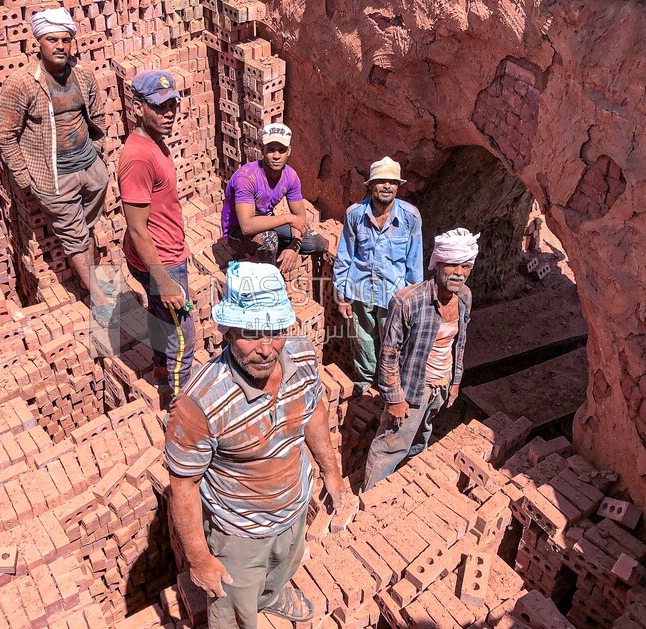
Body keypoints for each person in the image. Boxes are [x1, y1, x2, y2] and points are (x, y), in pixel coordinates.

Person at [166, 261, 347, 629]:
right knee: (232, 605)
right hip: (240, 531)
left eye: (275, 331)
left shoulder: (302, 356)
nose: (266, 349)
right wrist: (199, 558)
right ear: (227, 331)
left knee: (283, 565)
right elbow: (183, 485)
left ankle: (273, 595)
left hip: (294, 506)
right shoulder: (198, 403)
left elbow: (312, 412)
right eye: (251, 333)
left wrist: (331, 471)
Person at [0, 8, 110, 322]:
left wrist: (98, 150)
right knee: (74, 235)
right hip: (55, 177)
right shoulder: (22, 84)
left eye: (65, 39)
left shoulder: (83, 74)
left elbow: (97, 114)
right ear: (39, 43)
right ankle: (97, 296)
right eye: (52, 40)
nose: (60, 46)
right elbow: (5, 133)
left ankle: (85, 268)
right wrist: (23, 176)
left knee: (85, 228)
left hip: (90, 168)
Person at [362, 228, 479, 491]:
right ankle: (369, 503)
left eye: (466, 266)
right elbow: (389, 354)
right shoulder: (408, 301)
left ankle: (405, 489)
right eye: (452, 264)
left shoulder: (465, 297)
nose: (459, 272)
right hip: (414, 386)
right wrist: (395, 398)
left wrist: (455, 382)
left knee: (422, 437)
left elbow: (459, 344)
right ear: (437, 264)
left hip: (441, 383)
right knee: (391, 445)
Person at [119, 70, 194, 401]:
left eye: (172, 106)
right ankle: (180, 410)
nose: (169, 114)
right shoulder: (137, 156)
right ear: (138, 108)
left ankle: (161, 371)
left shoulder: (154, 144)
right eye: (160, 107)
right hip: (163, 260)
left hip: (162, 254)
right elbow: (136, 227)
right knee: (184, 337)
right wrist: (162, 278)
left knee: (158, 313)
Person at [333, 157, 423, 396]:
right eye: (381, 181)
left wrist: (413, 301)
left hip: (394, 297)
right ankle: (365, 386)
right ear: (371, 185)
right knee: (362, 343)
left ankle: (388, 389)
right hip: (360, 292)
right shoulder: (355, 214)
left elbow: (415, 262)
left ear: (398, 186)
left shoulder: (410, 217)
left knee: (392, 345)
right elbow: (345, 255)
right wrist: (342, 296)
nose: (387, 186)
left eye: (392, 182)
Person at [221, 123, 326, 272]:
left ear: (289, 151)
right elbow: (246, 226)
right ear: (263, 150)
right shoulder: (246, 178)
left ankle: (270, 253)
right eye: (271, 150)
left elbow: (300, 219)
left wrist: (293, 247)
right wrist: (288, 218)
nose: (276, 156)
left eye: (281, 150)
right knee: (269, 240)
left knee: (316, 243)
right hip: (236, 232)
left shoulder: (291, 176)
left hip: (267, 222)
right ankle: (272, 279)